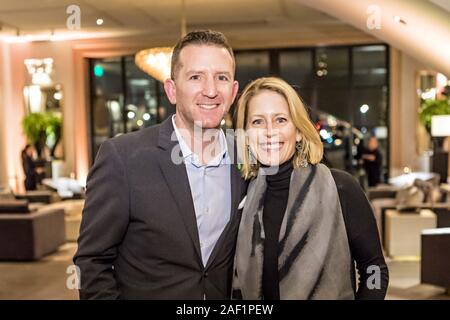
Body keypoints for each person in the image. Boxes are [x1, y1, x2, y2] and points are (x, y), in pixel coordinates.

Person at [74, 30, 246, 299]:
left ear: (233, 91)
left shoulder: (247, 159)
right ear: (171, 90)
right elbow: (91, 262)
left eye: (221, 77)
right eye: (195, 77)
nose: (211, 90)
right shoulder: (123, 158)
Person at [232, 77, 388, 299]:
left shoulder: (340, 188)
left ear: (298, 131)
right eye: (257, 122)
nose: (269, 131)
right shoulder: (242, 197)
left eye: (280, 120)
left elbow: (374, 269)